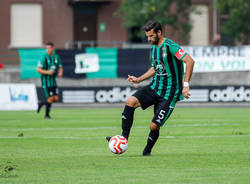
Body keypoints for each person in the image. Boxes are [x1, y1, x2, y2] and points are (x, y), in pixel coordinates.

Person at [106, 20, 195, 156]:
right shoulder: (153, 48)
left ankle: (147, 151)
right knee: (130, 102)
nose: (149, 39)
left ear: (159, 33)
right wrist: (139, 79)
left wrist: (186, 85)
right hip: (154, 87)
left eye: (151, 36)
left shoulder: (170, 46)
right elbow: (155, 68)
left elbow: (189, 61)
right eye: (147, 36)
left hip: (169, 94)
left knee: (154, 125)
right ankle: (123, 139)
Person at [36, 42, 63, 119]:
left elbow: (60, 66)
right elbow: (38, 70)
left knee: (56, 98)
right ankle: (46, 115)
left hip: (53, 81)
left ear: (53, 48)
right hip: (46, 81)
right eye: (47, 48)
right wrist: (48, 72)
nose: (48, 49)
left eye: (49, 48)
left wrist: (60, 73)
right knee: (50, 98)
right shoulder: (43, 57)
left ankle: (41, 103)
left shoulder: (56, 57)